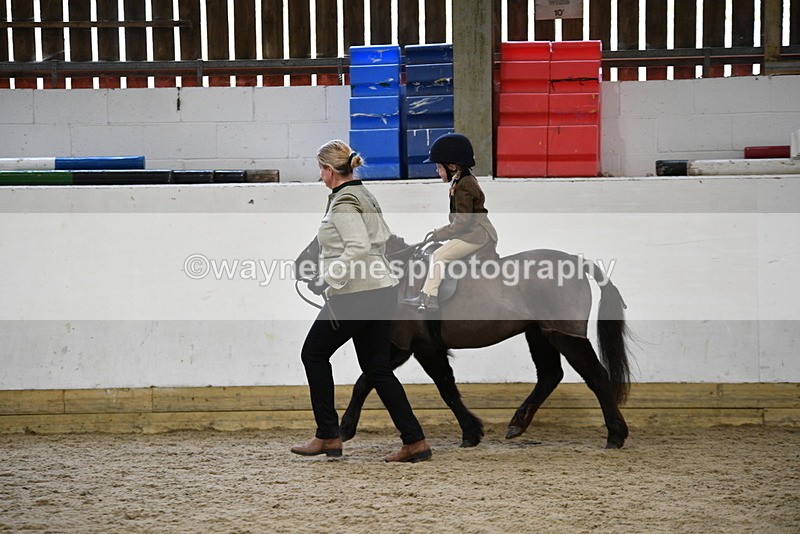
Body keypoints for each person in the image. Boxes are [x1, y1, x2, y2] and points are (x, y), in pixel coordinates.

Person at [291, 139, 432, 463]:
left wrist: (326, 278)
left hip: (356, 294)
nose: (321, 176)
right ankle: (415, 441)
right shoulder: (364, 194)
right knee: (378, 369)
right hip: (382, 290)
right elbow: (377, 241)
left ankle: (328, 435)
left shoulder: (343, 204)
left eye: (321, 170)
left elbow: (356, 248)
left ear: (329, 170)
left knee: (313, 354)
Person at [401, 133, 498, 312]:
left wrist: (440, 233)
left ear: (452, 166)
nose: (437, 171)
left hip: (476, 235)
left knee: (438, 256)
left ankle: (428, 297)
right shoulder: (461, 180)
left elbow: (463, 222)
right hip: (474, 233)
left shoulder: (464, 185)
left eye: (439, 166)